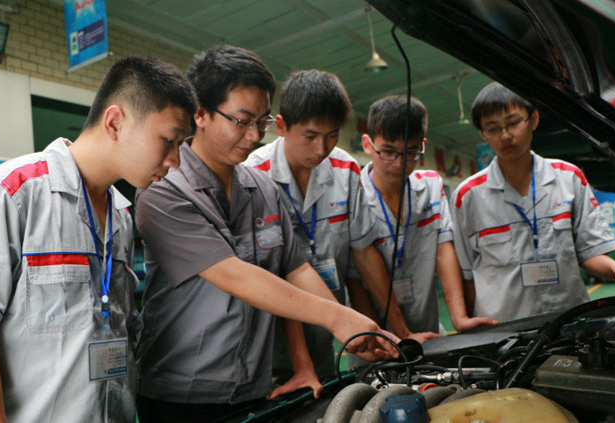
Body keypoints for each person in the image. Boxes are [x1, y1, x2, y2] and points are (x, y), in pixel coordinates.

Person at [134, 45, 399, 423]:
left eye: (260, 123)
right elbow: (232, 274)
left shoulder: (264, 189)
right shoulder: (163, 190)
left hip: (253, 388)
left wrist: (350, 326)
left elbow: (295, 268)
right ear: (200, 114)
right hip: (180, 395)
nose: (254, 135)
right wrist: (337, 319)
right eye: (241, 121)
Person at [0, 55, 197, 423]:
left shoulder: (120, 216)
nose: (175, 160)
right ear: (115, 122)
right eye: (169, 140)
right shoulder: (13, 192)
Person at [244, 71, 441, 395]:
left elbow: (364, 253)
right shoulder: (254, 175)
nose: (322, 148)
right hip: (272, 343)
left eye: (332, 135)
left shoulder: (345, 170)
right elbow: (273, 274)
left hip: (332, 337)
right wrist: (301, 364)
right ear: (280, 126)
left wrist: (401, 332)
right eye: (309, 135)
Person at [451, 82, 615, 322]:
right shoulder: (467, 196)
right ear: (482, 134)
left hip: (570, 320)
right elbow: (467, 273)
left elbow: (588, 252)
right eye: (492, 129)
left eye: (513, 123)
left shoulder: (569, 178)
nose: (505, 135)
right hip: (503, 328)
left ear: (533, 120)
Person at [352, 95, 498, 340]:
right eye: (388, 151)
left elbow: (443, 251)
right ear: (367, 144)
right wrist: (390, 336)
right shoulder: (353, 195)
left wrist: (459, 317)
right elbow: (354, 279)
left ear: (423, 146)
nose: (399, 164)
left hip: (429, 333)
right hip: (377, 338)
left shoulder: (430, 187)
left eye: (410, 153)